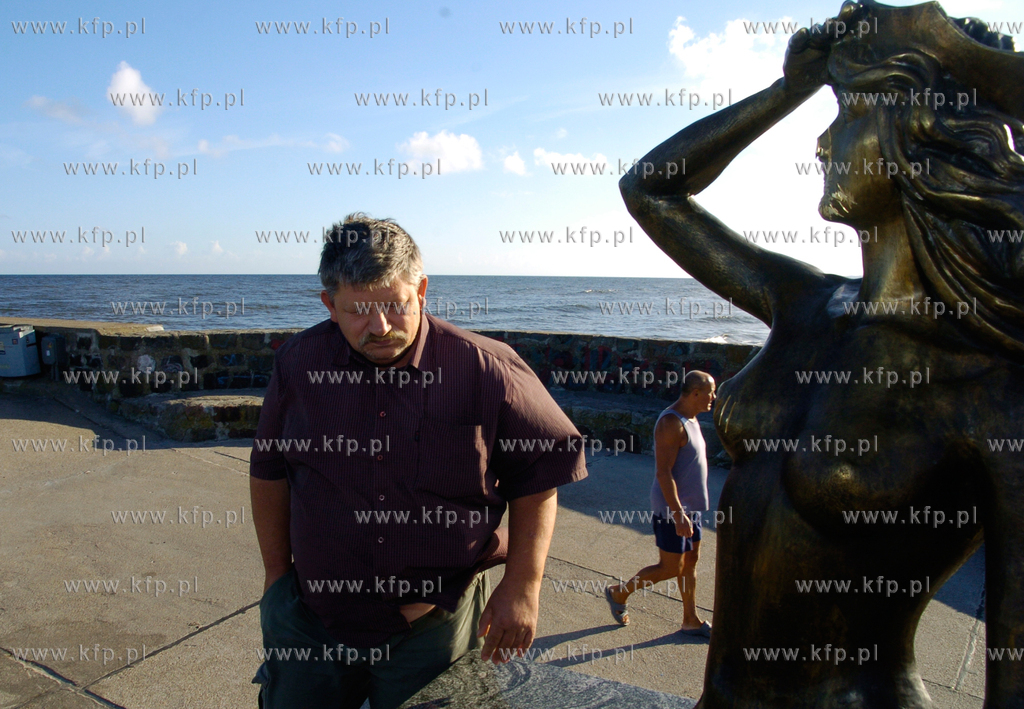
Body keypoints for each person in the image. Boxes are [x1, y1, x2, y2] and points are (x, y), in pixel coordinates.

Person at [620, 1, 1024, 706]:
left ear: (920, 140)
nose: (822, 140)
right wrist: (789, 90)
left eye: (848, 113)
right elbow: (651, 189)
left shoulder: (991, 384)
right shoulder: (804, 302)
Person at [249, 213, 588, 709]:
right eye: (358, 311)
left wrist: (522, 585)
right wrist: (277, 581)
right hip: (312, 620)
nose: (380, 327)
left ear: (422, 290)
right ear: (329, 305)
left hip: (434, 624)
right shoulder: (298, 364)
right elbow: (270, 471)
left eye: (395, 304)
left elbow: (537, 476)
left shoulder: (487, 369)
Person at [605, 371, 716, 636]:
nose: (714, 397)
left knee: (690, 562)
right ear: (695, 393)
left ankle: (690, 620)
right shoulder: (671, 423)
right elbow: (663, 473)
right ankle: (619, 593)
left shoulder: (692, 419)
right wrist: (678, 514)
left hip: (691, 509)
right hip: (672, 510)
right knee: (671, 567)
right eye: (711, 392)